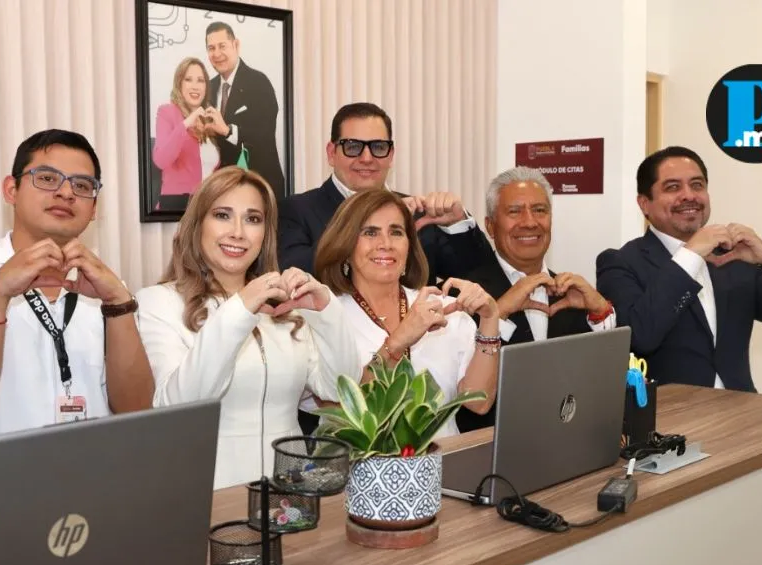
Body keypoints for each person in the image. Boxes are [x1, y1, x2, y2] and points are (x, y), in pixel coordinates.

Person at [135, 166, 360, 490]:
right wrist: (240, 309)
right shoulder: (159, 302)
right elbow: (181, 408)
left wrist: (327, 311)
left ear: (265, 233)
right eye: (222, 215)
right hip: (206, 493)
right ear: (197, 225)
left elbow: (338, 389)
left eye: (253, 219)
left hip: (289, 495)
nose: (238, 232)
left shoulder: (284, 308)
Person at [278, 102, 496, 434]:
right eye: (353, 146)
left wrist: (458, 224)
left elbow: (478, 274)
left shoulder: (419, 214)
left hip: (445, 457)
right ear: (331, 152)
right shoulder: (299, 212)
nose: (367, 157)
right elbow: (298, 276)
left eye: (396, 232)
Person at [0, 130, 153, 438]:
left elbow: (138, 412)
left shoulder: (107, 288)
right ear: (11, 190)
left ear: (94, 208)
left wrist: (118, 303)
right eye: (48, 178)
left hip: (93, 466)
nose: (66, 193)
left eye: (82, 185)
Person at [596, 146, 762, 392]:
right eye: (672, 187)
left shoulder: (732, 257)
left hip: (740, 409)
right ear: (644, 204)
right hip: (668, 413)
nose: (689, 195)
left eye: (697, 185)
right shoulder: (620, 262)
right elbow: (639, 337)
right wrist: (690, 255)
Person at [312, 189, 502, 440]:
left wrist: (490, 319)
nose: (386, 244)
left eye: (396, 232)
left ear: (409, 246)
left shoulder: (445, 310)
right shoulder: (323, 318)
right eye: (370, 232)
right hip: (359, 463)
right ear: (345, 246)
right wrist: (397, 342)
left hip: (444, 461)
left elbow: (479, 402)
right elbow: (338, 412)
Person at [456, 167, 616, 431]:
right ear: (490, 226)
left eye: (540, 210)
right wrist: (501, 310)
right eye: (514, 211)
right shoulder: (463, 294)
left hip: (567, 441)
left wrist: (600, 312)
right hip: (491, 446)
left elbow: (601, 378)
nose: (530, 222)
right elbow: (465, 394)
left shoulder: (570, 293)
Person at [201, 21, 286, 202]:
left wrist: (227, 130)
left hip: (261, 189)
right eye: (211, 48)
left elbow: (264, 132)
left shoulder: (258, 82)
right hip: (222, 191)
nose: (217, 54)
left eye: (222, 46)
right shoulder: (210, 87)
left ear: (236, 45)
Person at [152, 57, 218, 214]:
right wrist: (186, 123)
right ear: (179, 83)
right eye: (188, 80)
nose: (195, 86)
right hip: (178, 207)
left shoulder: (210, 118)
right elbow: (161, 160)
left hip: (208, 207)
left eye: (200, 80)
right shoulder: (167, 112)